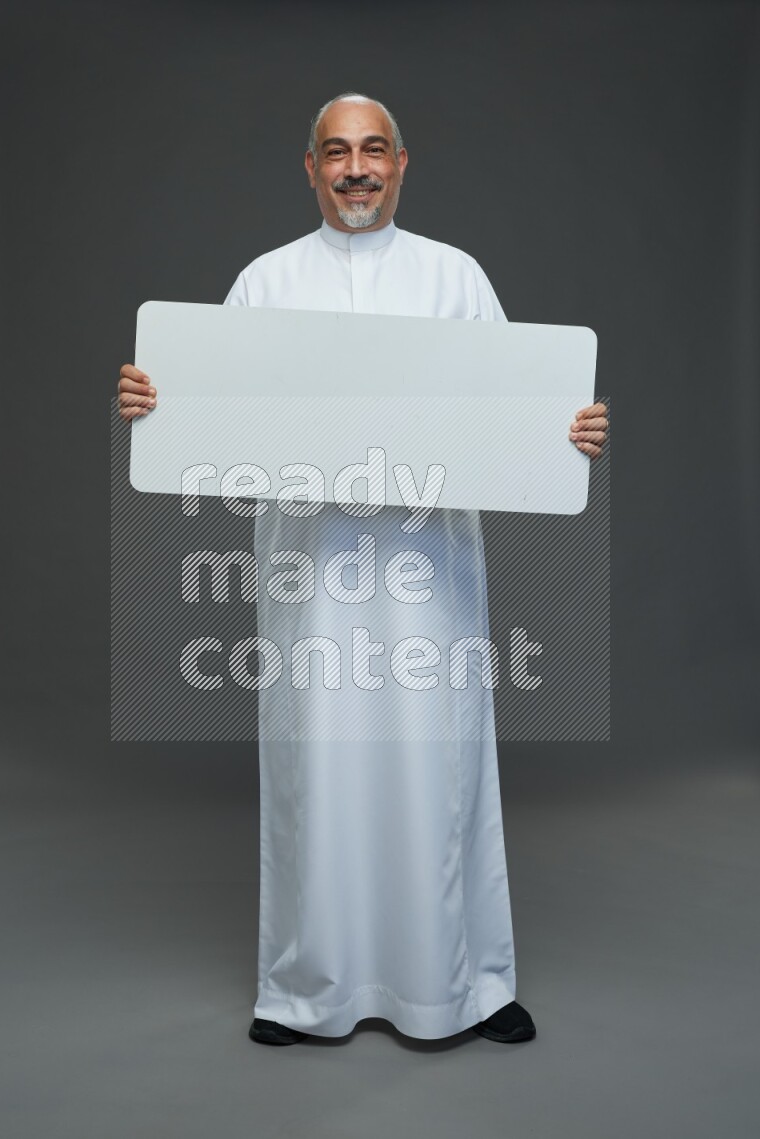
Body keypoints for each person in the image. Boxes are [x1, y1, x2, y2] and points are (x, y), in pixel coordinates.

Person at [118, 93, 609, 1047]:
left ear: (401, 163)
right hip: (312, 580)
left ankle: (467, 985)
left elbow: (517, 409)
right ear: (310, 168)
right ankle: (306, 989)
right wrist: (156, 402)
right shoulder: (265, 282)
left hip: (430, 576)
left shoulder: (455, 277)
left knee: (439, 766)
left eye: (373, 150)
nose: (356, 169)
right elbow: (209, 417)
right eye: (337, 152)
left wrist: (568, 429)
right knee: (320, 768)